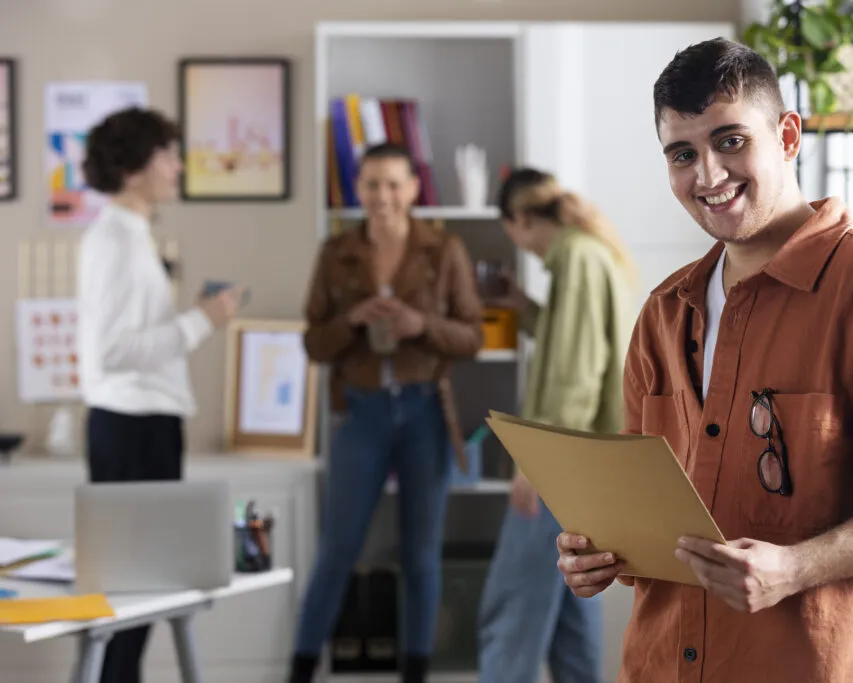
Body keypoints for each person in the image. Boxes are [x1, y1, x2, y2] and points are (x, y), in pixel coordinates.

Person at [555, 37, 853, 682]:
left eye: (731, 140)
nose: (707, 175)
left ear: (787, 135)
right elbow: (645, 503)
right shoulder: (664, 312)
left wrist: (796, 567)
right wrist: (599, 551)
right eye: (683, 154)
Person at [289, 142, 483, 683]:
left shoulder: (444, 250)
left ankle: (415, 672)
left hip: (426, 413)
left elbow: (471, 336)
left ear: (414, 189)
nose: (382, 197)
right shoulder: (336, 252)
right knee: (336, 552)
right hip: (362, 415)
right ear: (359, 187)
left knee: (421, 557)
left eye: (394, 184)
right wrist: (353, 318)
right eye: (372, 184)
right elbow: (312, 345)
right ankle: (300, 669)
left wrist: (420, 326)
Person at [77, 106, 243, 683]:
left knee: (139, 601)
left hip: (139, 425)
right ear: (132, 169)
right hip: (133, 428)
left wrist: (191, 317)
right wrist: (201, 320)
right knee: (132, 600)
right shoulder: (118, 241)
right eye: (167, 155)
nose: (178, 166)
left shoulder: (129, 236)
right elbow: (114, 352)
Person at [476, 168, 636, 683]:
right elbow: (574, 343)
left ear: (520, 221)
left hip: (563, 466)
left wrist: (536, 465)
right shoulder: (588, 253)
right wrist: (523, 308)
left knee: (511, 614)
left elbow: (574, 374)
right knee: (572, 618)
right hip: (588, 465)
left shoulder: (577, 258)